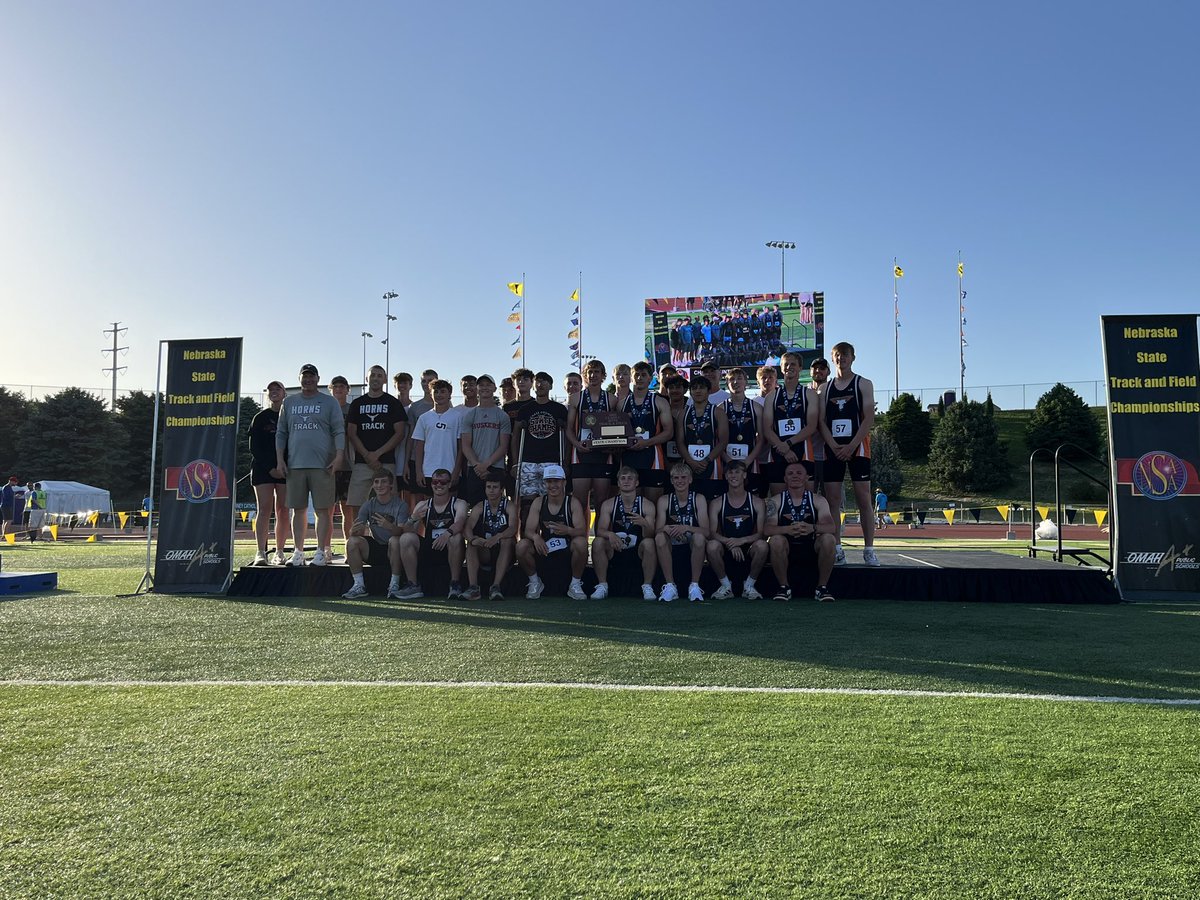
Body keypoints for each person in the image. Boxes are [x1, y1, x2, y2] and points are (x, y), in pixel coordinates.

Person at [275, 363, 345, 567]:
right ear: (299, 379)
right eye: (304, 376)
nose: (308, 380)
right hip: (295, 465)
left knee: (323, 510)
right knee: (298, 509)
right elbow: (281, 433)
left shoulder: (329, 402)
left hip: (323, 465)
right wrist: (280, 459)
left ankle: (321, 551)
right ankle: (298, 552)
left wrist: (339, 456)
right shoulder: (289, 403)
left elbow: (338, 430)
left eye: (311, 376)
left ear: (318, 378)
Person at [819, 341, 880, 567]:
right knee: (832, 500)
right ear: (832, 359)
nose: (841, 358)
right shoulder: (824, 389)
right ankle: (837, 549)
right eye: (837, 355)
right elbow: (821, 422)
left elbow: (868, 419)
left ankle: (869, 549)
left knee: (863, 498)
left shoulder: (863, 384)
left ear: (853, 358)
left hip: (858, 447)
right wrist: (834, 446)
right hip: (833, 448)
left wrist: (852, 445)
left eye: (845, 355)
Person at [346, 364, 408, 539]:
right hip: (362, 463)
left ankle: (390, 545)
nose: (376, 378)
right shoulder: (358, 403)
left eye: (380, 375)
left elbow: (400, 433)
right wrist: (367, 455)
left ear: (385, 379)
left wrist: (377, 454)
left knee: (391, 505)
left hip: (386, 461)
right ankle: (357, 543)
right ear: (367, 378)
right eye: (373, 375)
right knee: (357, 505)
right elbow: (351, 433)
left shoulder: (392, 403)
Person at [765, 461, 838, 601]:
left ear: (807, 477)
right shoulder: (774, 501)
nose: (795, 476)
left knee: (829, 539)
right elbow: (767, 529)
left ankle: (822, 588)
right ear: (785, 479)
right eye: (790, 473)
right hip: (787, 548)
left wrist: (812, 528)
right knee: (775, 540)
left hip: (811, 546)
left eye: (799, 473)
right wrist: (788, 529)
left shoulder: (819, 500)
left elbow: (831, 527)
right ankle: (784, 587)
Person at [515, 464, 588, 600]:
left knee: (581, 543)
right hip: (544, 547)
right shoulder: (539, 502)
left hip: (567, 546)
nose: (553, 485)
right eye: (549, 481)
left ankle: (575, 584)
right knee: (522, 546)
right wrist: (536, 537)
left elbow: (581, 531)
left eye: (556, 481)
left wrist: (568, 530)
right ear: (544, 483)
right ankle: (535, 582)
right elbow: (528, 531)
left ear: (564, 482)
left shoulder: (572, 502)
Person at [395, 467, 469, 599]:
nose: (439, 485)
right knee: (406, 538)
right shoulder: (423, 505)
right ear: (431, 484)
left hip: (449, 547)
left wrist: (447, 534)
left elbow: (460, 523)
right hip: (430, 547)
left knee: (456, 537)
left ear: (449, 484)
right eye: (435, 482)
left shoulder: (459, 503)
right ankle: (413, 585)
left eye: (443, 482)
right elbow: (406, 530)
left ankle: (455, 584)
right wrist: (413, 519)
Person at [510, 371, 569, 527]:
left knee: (549, 501)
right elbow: (515, 436)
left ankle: (547, 535)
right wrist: (516, 462)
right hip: (528, 461)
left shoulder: (559, 409)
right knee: (527, 503)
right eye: (538, 381)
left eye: (544, 382)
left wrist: (566, 462)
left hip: (551, 462)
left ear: (550, 385)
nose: (540, 384)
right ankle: (526, 536)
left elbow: (566, 437)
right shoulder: (525, 409)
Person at [591, 465, 658, 600]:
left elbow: (651, 534)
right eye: (623, 478)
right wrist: (610, 534)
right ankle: (602, 585)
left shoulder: (646, 504)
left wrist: (645, 524)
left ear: (636, 483)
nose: (626, 481)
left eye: (630, 478)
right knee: (598, 542)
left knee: (650, 543)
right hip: (616, 548)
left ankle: (647, 586)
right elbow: (600, 530)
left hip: (638, 549)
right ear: (618, 482)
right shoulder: (609, 504)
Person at [706, 460, 769, 600]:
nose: (733, 475)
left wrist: (741, 541)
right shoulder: (717, 502)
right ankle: (726, 586)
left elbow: (761, 534)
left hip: (748, 547)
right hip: (726, 546)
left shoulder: (757, 502)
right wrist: (731, 542)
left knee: (762, 546)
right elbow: (711, 533)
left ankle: (749, 586)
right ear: (725, 476)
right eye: (730, 472)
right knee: (711, 546)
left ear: (745, 475)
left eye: (737, 472)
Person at [342, 472, 410, 600]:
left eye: (384, 481)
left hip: (395, 550)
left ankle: (394, 584)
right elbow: (358, 529)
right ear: (372, 485)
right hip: (377, 548)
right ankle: (359, 585)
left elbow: (402, 532)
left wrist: (388, 526)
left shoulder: (401, 505)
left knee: (395, 540)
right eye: (377, 482)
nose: (380, 485)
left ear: (391, 484)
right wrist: (353, 531)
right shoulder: (368, 505)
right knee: (352, 541)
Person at [761, 352, 821, 496]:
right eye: (785, 364)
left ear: (800, 367)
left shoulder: (809, 394)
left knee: (806, 501)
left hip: (804, 452)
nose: (789, 367)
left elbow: (812, 426)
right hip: (778, 452)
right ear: (781, 369)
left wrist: (787, 444)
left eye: (793, 364)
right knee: (778, 501)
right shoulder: (771, 397)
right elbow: (767, 429)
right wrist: (785, 450)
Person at [248, 380, 291, 565]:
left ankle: (280, 552)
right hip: (262, 469)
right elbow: (254, 447)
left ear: (284, 393)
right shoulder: (260, 417)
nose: (274, 392)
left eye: (277, 389)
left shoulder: (290, 417)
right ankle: (260, 552)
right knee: (264, 509)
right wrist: (270, 469)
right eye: (271, 390)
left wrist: (282, 467)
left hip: (285, 469)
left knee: (283, 510)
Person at [654, 462, 710, 602]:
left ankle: (694, 586)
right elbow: (657, 530)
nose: (680, 481)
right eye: (676, 478)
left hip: (691, 542)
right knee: (660, 537)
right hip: (672, 543)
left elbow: (706, 531)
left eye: (683, 477)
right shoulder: (664, 500)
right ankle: (670, 586)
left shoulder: (699, 499)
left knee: (699, 537)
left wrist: (686, 527)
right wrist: (665, 528)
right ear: (672, 481)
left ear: (690, 479)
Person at [566, 358, 615, 514]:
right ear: (585, 376)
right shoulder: (576, 398)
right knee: (579, 502)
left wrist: (612, 446)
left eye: (596, 372)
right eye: (590, 372)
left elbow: (617, 427)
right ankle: (580, 537)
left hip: (604, 455)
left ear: (603, 376)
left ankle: (601, 537)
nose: (593, 375)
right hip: (581, 454)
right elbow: (569, 428)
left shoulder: (611, 399)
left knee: (602, 502)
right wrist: (576, 444)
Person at [620, 361, 673, 502]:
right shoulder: (621, 403)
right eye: (636, 375)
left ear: (650, 378)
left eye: (644, 375)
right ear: (632, 378)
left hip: (653, 459)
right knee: (631, 505)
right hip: (628, 458)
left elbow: (669, 432)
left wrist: (646, 443)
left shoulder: (660, 401)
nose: (640, 378)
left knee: (654, 505)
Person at [458, 374, 511, 507]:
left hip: (495, 467)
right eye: (481, 385)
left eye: (488, 385)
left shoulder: (502, 415)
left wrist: (486, 464)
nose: (485, 388)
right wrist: (477, 465)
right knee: (476, 507)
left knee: (495, 507)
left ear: (494, 388)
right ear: (477, 388)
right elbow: (465, 445)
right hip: (474, 468)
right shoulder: (470, 415)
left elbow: (503, 446)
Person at [463, 472, 517, 601]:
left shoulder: (509, 506)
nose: (491, 490)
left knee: (507, 540)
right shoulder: (480, 506)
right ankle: (473, 588)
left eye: (495, 487)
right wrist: (474, 539)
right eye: (488, 487)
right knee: (472, 543)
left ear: (502, 489)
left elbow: (513, 528)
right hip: (486, 548)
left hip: (504, 549)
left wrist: (498, 537)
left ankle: (496, 586)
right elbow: (467, 528)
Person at [674, 375, 728, 499]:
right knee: (691, 503)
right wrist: (690, 461)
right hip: (689, 465)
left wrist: (707, 460)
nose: (698, 391)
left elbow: (723, 441)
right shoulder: (683, 413)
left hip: (713, 465)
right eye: (694, 388)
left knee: (713, 504)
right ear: (690, 392)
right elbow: (680, 441)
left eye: (702, 388)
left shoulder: (718, 412)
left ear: (709, 391)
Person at [411, 379, 462, 492]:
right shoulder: (424, 418)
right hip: (428, 472)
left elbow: (461, 448)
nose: (439, 394)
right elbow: (419, 447)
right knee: (429, 505)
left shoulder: (458, 417)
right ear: (431, 394)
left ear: (449, 394)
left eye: (443, 391)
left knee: (450, 505)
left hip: (450, 471)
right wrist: (419, 471)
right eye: (436, 391)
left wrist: (456, 472)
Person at [721, 367, 766, 496]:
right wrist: (728, 460)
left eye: (739, 378)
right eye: (732, 379)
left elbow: (761, 438)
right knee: (728, 496)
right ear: (727, 384)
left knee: (753, 497)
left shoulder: (756, 407)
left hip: (750, 462)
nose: (735, 382)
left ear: (746, 382)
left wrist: (748, 460)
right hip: (727, 461)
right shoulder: (720, 408)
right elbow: (717, 439)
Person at [329, 374, 355, 548]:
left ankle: (349, 547)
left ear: (347, 389)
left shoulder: (353, 409)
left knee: (348, 511)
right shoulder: (325, 408)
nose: (339, 389)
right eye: (335, 386)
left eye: (342, 386)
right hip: (327, 466)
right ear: (331, 390)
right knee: (325, 511)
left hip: (348, 465)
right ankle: (325, 548)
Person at [808, 357, 831, 489]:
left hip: (830, 454)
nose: (818, 371)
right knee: (807, 499)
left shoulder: (833, 390)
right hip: (807, 455)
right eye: (815, 368)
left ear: (828, 372)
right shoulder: (803, 393)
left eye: (822, 368)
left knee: (832, 500)